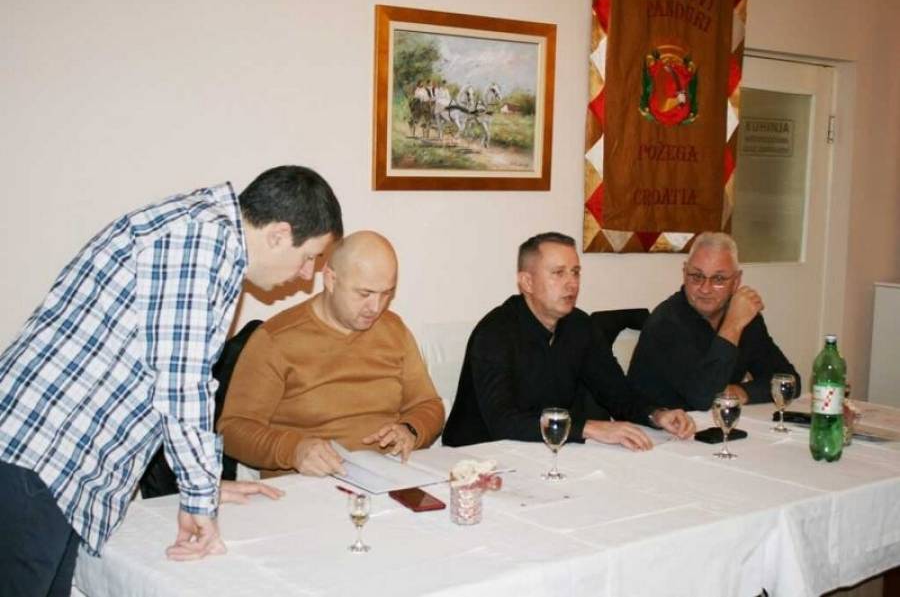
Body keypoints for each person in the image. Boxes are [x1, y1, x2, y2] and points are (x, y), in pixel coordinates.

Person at [0, 165, 343, 594]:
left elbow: (164, 372)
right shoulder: (200, 243)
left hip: (50, 462)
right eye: (310, 256)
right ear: (278, 234)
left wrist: (204, 483)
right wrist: (200, 499)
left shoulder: (203, 229)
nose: (307, 274)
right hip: (37, 458)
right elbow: (182, 386)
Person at [218, 231, 444, 477]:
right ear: (331, 280)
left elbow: (428, 405)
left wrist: (410, 429)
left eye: (386, 293)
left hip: (386, 475)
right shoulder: (275, 339)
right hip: (310, 483)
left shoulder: (394, 330)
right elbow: (232, 430)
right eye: (365, 294)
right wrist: (293, 450)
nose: (376, 307)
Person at [442, 232, 694, 449]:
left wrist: (656, 414)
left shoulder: (580, 326)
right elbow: (503, 422)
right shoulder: (495, 333)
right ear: (527, 282)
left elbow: (618, 393)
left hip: (546, 450)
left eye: (575, 272)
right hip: (478, 457)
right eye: (558, 273)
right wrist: (587, 428)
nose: (571, 283)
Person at [627, 231, 799, 411]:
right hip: (657, 425)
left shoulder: (743, 315)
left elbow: (788, 381)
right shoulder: (666, 322)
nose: (705, 289)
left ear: (736, 281)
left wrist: (740, 391)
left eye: (718, 279)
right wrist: (732, 326)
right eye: (696, 276)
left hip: (713, 423)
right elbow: (703, 398)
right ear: (684, 273)